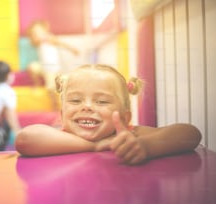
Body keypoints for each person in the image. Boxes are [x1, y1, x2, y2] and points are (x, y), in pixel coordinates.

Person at [15, 64, 202, 165]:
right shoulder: (60, 135)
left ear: (125, 117)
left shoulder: (131, 135)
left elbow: (190, 135)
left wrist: (146, 147)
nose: (87, 107)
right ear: (63, 113)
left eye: (102, 101)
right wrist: (95, 146)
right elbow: (25, 140)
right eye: (75, 101)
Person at [26, 19, 80, 110]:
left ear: (44, 31)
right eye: (34, 33)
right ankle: (38, 83)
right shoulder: (37, 42)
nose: (36, 34)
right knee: (32, 67)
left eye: (38, 31)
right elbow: (33, 42)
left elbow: (61, 44)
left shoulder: (50, 38)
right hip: (43, 67)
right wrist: (37, 36)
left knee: (51, 88)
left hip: (52, 69)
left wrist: (72, 49)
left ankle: (55, 106)